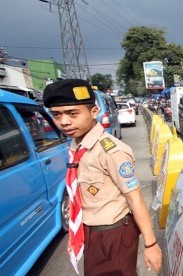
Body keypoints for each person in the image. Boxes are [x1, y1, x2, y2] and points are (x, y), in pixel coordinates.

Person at [43, 79, 162, 275]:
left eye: (73, 113)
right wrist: (75, 234)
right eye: (57, 115)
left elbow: (135, 198)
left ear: (94, 112)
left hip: (113, 235)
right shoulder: (77, 145)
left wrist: (151, 245)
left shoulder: (111, 151)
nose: (64, 121)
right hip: (90, 232)